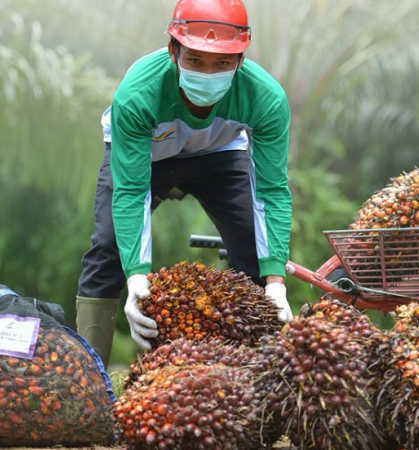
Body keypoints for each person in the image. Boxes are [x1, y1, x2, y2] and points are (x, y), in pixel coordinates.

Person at [75, 0, 293, 367]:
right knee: (110, 247)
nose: (208, 73)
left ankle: (254, 374)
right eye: (195, 60)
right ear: (173, 51)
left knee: (255, 249)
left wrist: (275, 285)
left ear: (241, 58)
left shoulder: (266, 98)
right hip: (146, 156)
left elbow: (271, 191)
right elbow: (130, 192)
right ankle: (88, 382)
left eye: (222, 63)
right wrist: (136, 278)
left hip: (219, 155)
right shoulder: (138, 92)